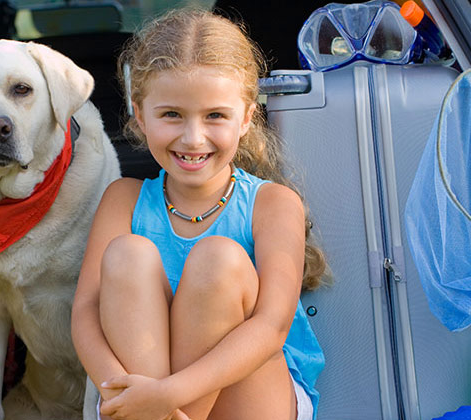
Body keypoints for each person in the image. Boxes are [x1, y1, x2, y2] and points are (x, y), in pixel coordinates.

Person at [71, 8, 328, 420]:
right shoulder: (123, 200)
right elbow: (85, 311)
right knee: (127, 255)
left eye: (215, 116)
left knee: (219, 259)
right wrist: (122, 392)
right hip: (141, 399)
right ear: (140, 114)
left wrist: (165, 396)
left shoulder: (273, 204)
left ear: (246, 117)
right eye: (171, 114)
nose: (193, 138)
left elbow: (271, 328)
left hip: (251, 393)